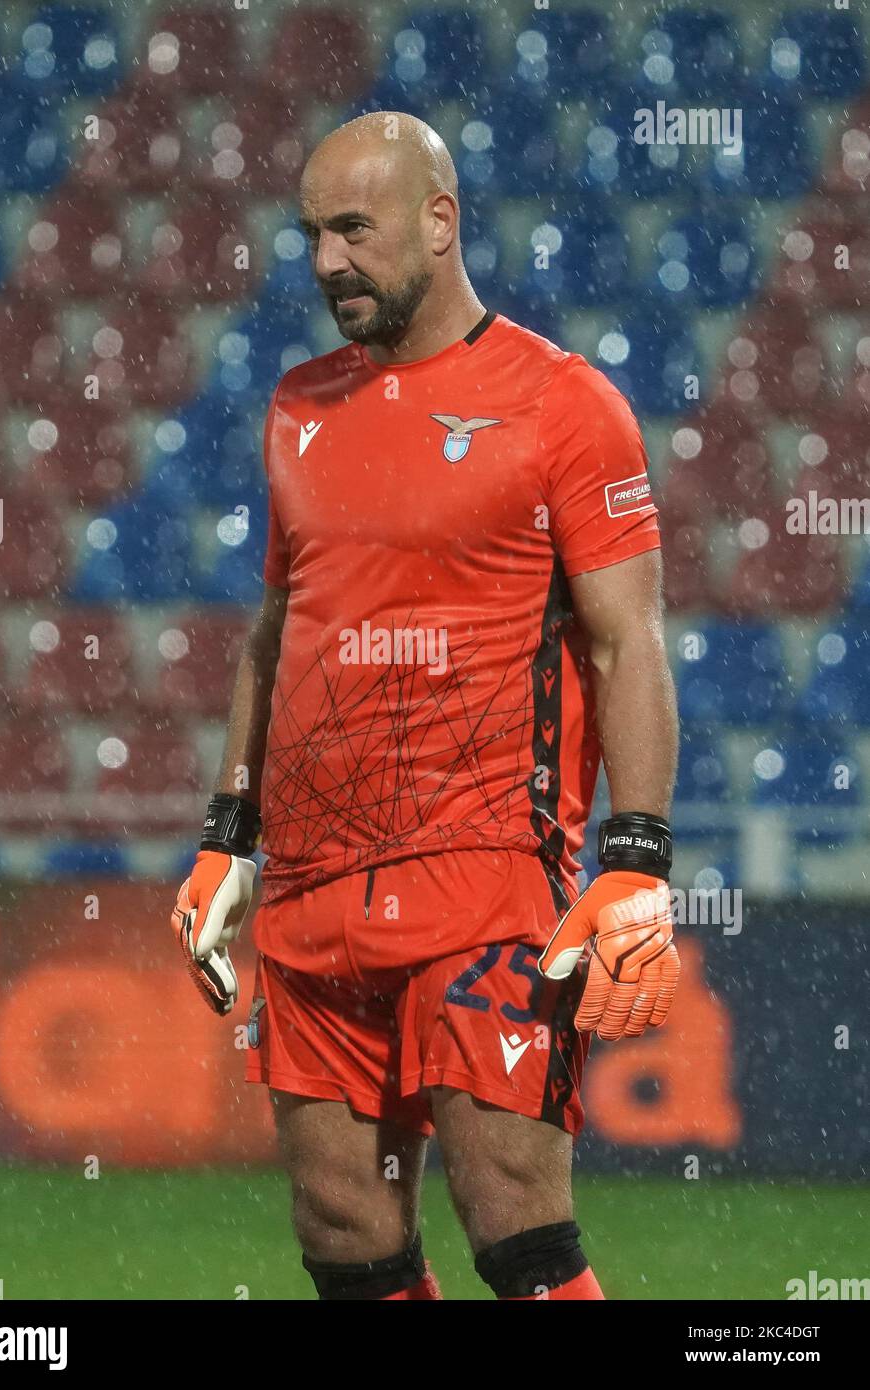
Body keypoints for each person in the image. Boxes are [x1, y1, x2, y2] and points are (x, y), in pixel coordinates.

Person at [171, 112, 680, 1302]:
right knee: (343, 1227)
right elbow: (275, 631)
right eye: (310, 235)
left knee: (514, 1216)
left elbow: (628, 639)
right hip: (310, 889)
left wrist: (637, 857)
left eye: (353, 229)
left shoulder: (563, 403)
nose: (325, 262)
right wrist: (224, 834)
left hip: (489, 877)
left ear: (440, 221)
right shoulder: (297, 405)